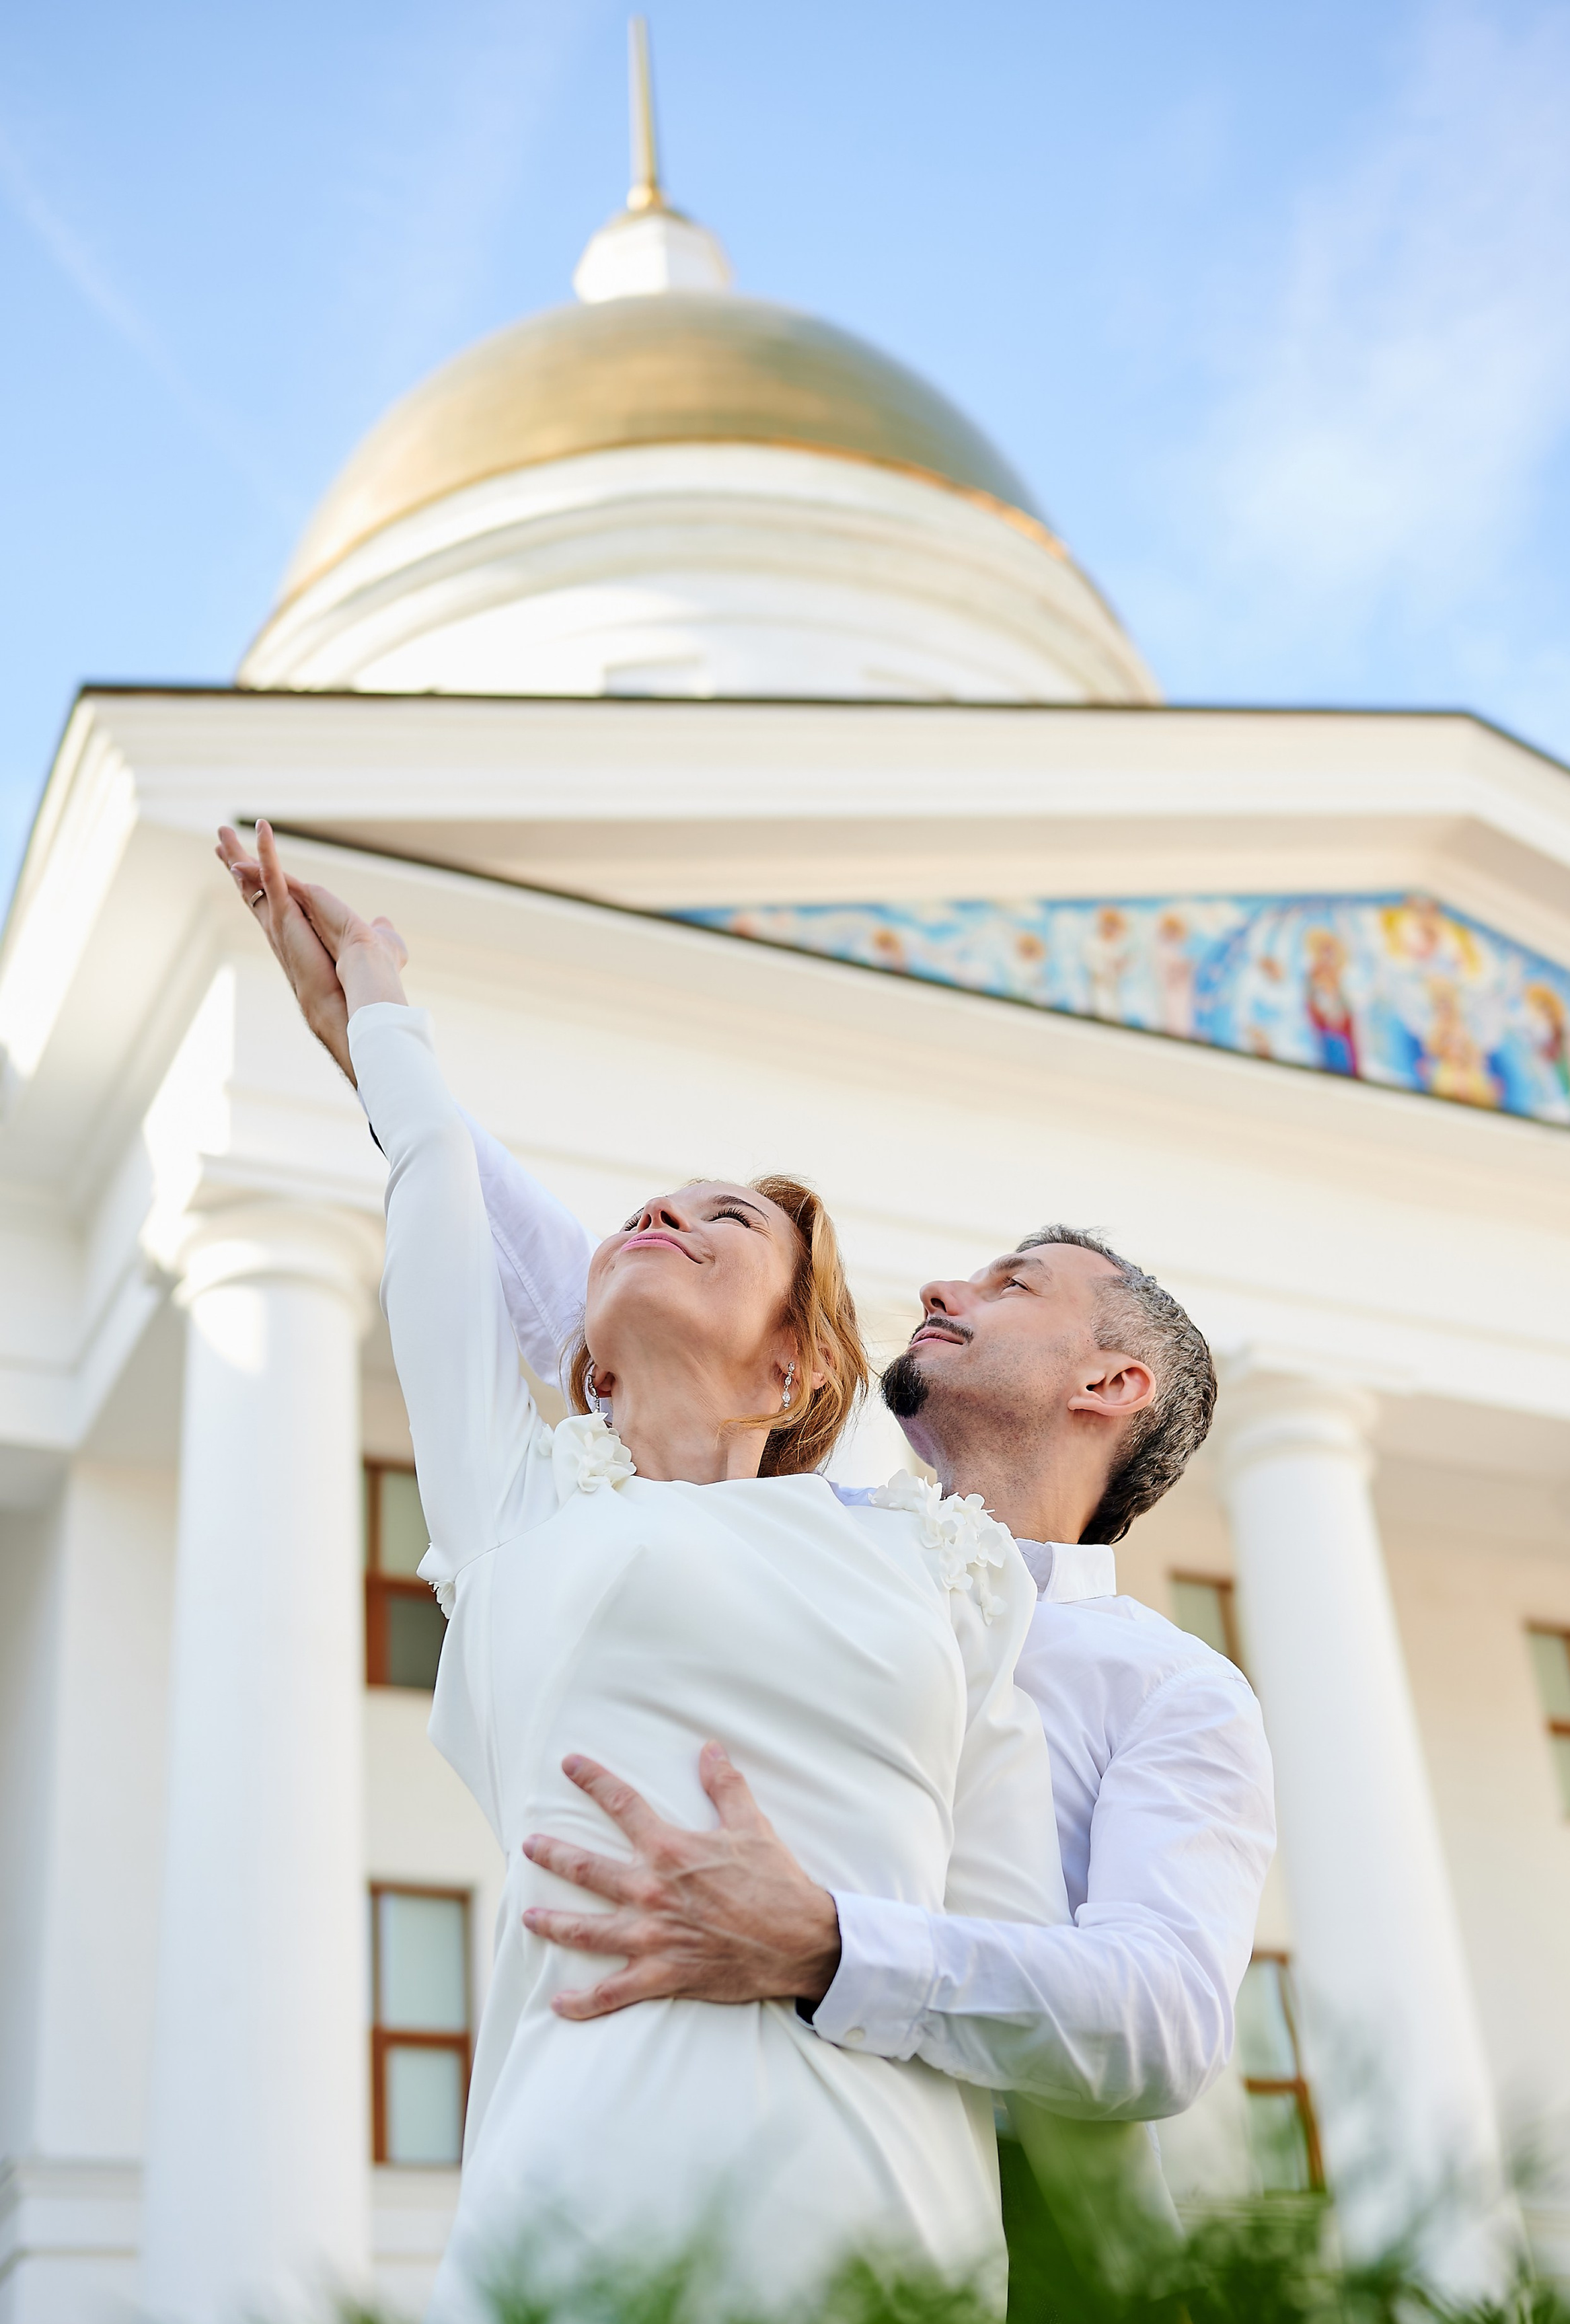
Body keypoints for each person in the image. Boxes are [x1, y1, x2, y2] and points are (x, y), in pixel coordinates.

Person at [221, 828, 1275, 2200]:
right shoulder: (828, 1533)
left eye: (1010, 1285)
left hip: (1010, 2253)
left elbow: (1161, 2017)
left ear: (1111, 1381)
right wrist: (374, 1041)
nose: (942, 1291)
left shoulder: (1168, 1692)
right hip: (633, 2137)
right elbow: (593, 1311)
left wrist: (835, 1945)